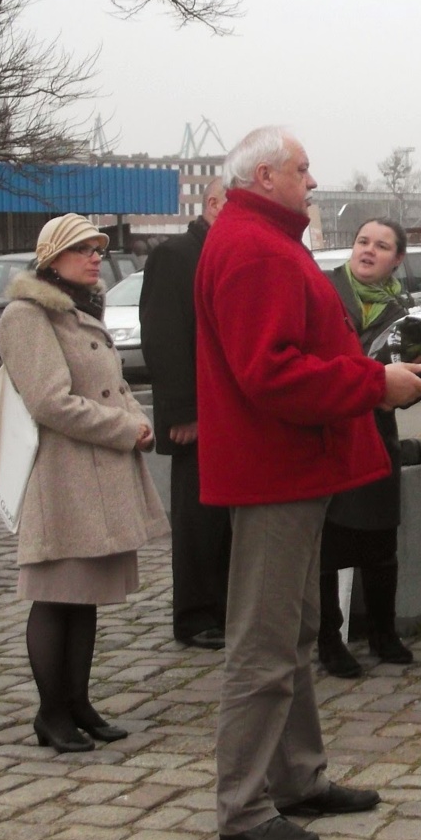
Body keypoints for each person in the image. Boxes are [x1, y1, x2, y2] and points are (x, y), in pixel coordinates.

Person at [197, 127, 421, 840]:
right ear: (264, 176)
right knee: (264, 643)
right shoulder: (255, 248)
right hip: (276, 470)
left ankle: (298, 777)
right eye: (301, 169)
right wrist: (374, 382)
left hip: (292, 467)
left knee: (295, 633)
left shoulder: (266, 239)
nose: (311, 179)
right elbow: (270, 372)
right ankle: (244, 807)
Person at [0, 214, 170, 752]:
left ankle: (77, 703)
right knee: (56, 595)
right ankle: (51, 713)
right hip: (61, 477)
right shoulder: (27, 315)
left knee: (84, 596)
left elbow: (111, 386)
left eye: (98, 249)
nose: (96, 257)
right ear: (52, 258)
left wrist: (138, 420)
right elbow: (50, 401)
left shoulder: (77, 311)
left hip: (93, 472)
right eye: (82, 249)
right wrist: (124, 429)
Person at [317, 218, 419, 677]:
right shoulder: (323, 290)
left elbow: (408, 383)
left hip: (377, 433)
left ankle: (383, 632)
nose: (368, 251)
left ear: (397, 259)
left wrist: (420, 379)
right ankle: (329, 640)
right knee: (327, 544)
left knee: (380, 541)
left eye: (381, 246)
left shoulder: (405, 312)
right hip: (329, 431)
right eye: (362, 242)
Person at [139, 176, 231, 651]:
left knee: (226, 521)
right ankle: (194, 616)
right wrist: (182, 412)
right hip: (195, 414)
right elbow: (163, 337)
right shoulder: (175, 255)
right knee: (198, 520)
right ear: (212, 204)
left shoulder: (228, 252)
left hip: (231, 412)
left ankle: (226, 609)